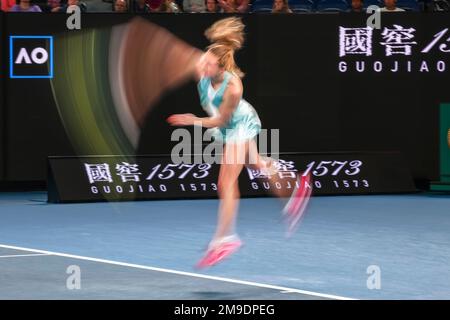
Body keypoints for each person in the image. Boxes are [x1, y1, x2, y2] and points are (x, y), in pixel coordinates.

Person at [167, 17, 311, 268]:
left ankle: (225, 238)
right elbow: (179, 58)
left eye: (208, 64)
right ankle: (297, 183)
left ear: (221, 68)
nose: (202, 65)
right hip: (226, 124)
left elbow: (221, 122)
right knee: (257, 166)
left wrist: (192, 120)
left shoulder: (233, 87)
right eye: (203, 60)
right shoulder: (203, 68)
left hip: (238, 125)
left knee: (225, 182)